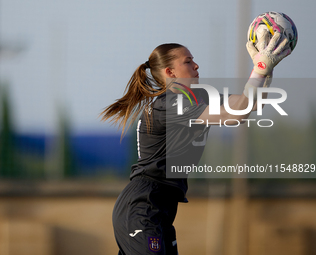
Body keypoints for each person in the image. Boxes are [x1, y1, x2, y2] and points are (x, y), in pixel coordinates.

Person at [101, 32, 290, 255]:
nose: (196, 65)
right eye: (188, 62)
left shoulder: (198, 97)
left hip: (161, 207)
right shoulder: (169, 104)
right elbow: (235, 115)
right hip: (143, 204)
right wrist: (259, 69)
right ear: (170, 72)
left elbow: (250, 104)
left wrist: (266, 67)